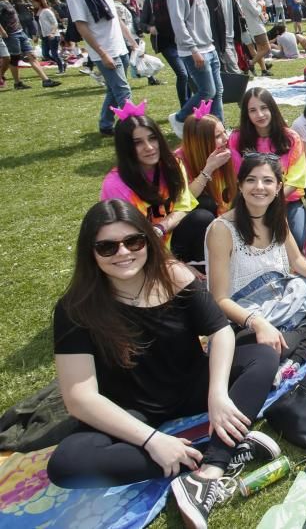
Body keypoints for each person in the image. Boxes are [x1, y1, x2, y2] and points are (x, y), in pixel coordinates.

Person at [48, 199, 279, 529]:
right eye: (107, 247)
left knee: (263, 355)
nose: (123, 253)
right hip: (132, 409)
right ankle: (216, 452)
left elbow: (221, 331)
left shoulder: (175, 275)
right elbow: (80, 398)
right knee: (66, 464)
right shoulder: (76, 308)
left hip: (191, 385)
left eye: (133, 241)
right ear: (91, 252)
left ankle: (213, 466)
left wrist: (217, 394)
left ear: (147, 240)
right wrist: (152, 441)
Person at [207, 153, 306, 385]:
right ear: (240, 185)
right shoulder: (222, 230)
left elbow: (296, 261)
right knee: (267, 350)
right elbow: (219, 299)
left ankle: (296, 356)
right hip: (246, 316)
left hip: (285, 298)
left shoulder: (276, 217)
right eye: (251, 180)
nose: (259, 187)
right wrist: (259, 323)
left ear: (278, 187)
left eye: (267, 181)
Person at [100, 105, 212, 267]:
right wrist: (173, 264)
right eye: (138, 142)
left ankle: (199, 268)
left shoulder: (172, 165)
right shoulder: (116, 184)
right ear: (126, 148)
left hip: (168, 238)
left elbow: (183, 208)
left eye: (152, 138)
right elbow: (128, 240)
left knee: (203, 213)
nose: (149, 147)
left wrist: (160, 228)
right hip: (138, 252)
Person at [229, 88, 306, 249]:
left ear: (272, 108)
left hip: (286, 201)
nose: (259, 114)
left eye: (264, 108)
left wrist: (271, 199)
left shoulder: (291, 138)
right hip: (251, 201)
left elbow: (297, 179)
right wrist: (259, 202)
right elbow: (239, 176)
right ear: (246, 114)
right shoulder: (237, 139)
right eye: (253, 110)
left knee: (298, 240)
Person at [63, 0, 138, 126]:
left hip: (120, 48)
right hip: (105, 51)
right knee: (123, 91)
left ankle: (105, 124)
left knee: (114, 89)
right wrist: (102, 54)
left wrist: (132, 42)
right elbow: (81, 26)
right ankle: (135, 128)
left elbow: (116, 19)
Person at [166, 0, 227, 137]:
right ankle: (179, 117)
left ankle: (219, 130)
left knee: (217, 91)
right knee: (206, 91)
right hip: (195, 51)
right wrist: (193, 49)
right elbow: (178, 23)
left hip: (209, 48)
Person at [175, 104, 237, 221]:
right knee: (206, 203)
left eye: (225, 131)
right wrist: (208, 169)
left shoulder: (228, 153)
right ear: (200, 142)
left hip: (227, 215)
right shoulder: (179, 161)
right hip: (198, 221)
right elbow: (184, 200)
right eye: (218, 136)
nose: (226, 138)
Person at [1, 0, 59, 89]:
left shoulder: (9, 3)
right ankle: (17, 83)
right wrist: (3, 31)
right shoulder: (1, 4)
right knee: (14, 58)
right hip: (11, 35)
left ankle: (46, 80)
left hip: (20, 32)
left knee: (32, 55)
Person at [200, 0, 243, 74]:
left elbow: (233, 10)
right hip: (219, 41)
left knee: (225, 74)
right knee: (235, 73)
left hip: (232, 38)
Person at [238, 0, 271, 76]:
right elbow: (256, 12)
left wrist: (264, 17)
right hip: (256, 27)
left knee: (260, 50)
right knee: (267, 48)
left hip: (257, 25)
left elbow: (258, 13)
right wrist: (261, 4)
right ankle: (250, 63)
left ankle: (264, 71)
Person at [31, 0, 65, 75]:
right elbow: (39, 26)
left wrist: (52, 33)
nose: (32, 3)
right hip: (44, 36)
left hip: (53, 35)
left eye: (33, 2)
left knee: (54, 53)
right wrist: (37, 36)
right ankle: (62, 63)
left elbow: (55, 23)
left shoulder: (47, 11)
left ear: (39, 2)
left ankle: (61, 68)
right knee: (45, 54)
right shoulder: (36, 12)